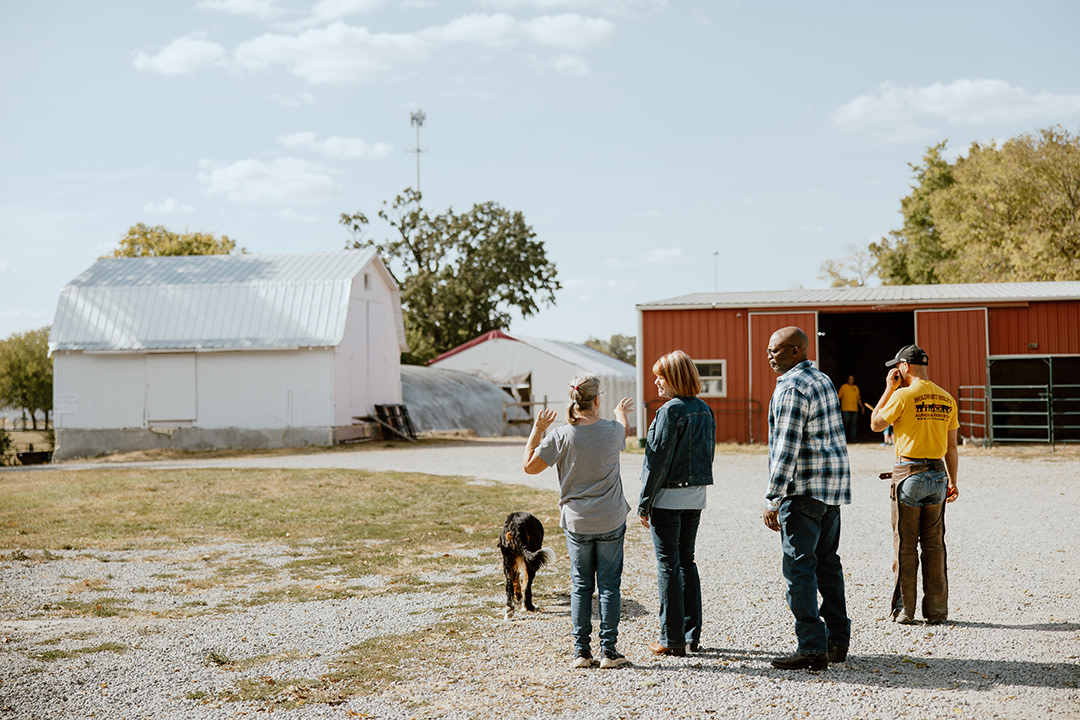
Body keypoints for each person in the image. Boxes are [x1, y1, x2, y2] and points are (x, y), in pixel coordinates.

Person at [523, 373, 634, 669]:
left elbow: (529, 466)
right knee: (609, 586)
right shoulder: (612, 431)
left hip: (577, 522)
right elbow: (624, 431)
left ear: (573, 399)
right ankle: (609, 652)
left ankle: (581, 653)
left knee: (581, 585)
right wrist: (620, 413)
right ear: (597, 399)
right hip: (610, 518)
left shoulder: (560, 435)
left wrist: (537, 430)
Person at [761, 326, 852, 671]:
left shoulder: (792, 387)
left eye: (776, 350)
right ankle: (837, 641)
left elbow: (786, 448)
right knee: (828, 564)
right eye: (769, 350)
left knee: (799, 569)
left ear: (795, 351)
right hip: (830, 491)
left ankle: (812, 646)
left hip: (802, 492)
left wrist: (773, 499)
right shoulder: (823, 379)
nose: (770, 356)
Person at [869, 344, 959, 625]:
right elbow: (952, 447)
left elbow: (875, 423)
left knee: (905, 545)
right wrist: (953, 482)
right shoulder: (946, 398)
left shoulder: (903, 395)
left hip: (909, 474)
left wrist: (889, 388)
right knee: (934, 546)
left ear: (904, 367)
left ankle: (905, 610)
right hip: (938, 475)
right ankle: (936, 611)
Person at [637, 350, 716, 657]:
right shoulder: (705, 409)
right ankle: (692, 634)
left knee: (668, 564)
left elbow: (656, 460)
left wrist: (644, 503)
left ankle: (671, 639)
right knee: (687, 561)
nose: (656, 381)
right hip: (695, 496)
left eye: (660, 376)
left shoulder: (669, 412)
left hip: (668, 497)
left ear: (672, 379)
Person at [837, 375, 863, 442]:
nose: (851, 380)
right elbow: (838, 397)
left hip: (854, 409)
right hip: (845, 409)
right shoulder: (843, 387)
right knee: (845, 424)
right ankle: (843, 438)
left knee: (853, 425)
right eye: (850, 379)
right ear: (847, 380)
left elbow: (858, 399)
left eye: (852, 379)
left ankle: (853, 438)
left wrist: (862, 407)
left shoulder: (856, 387)